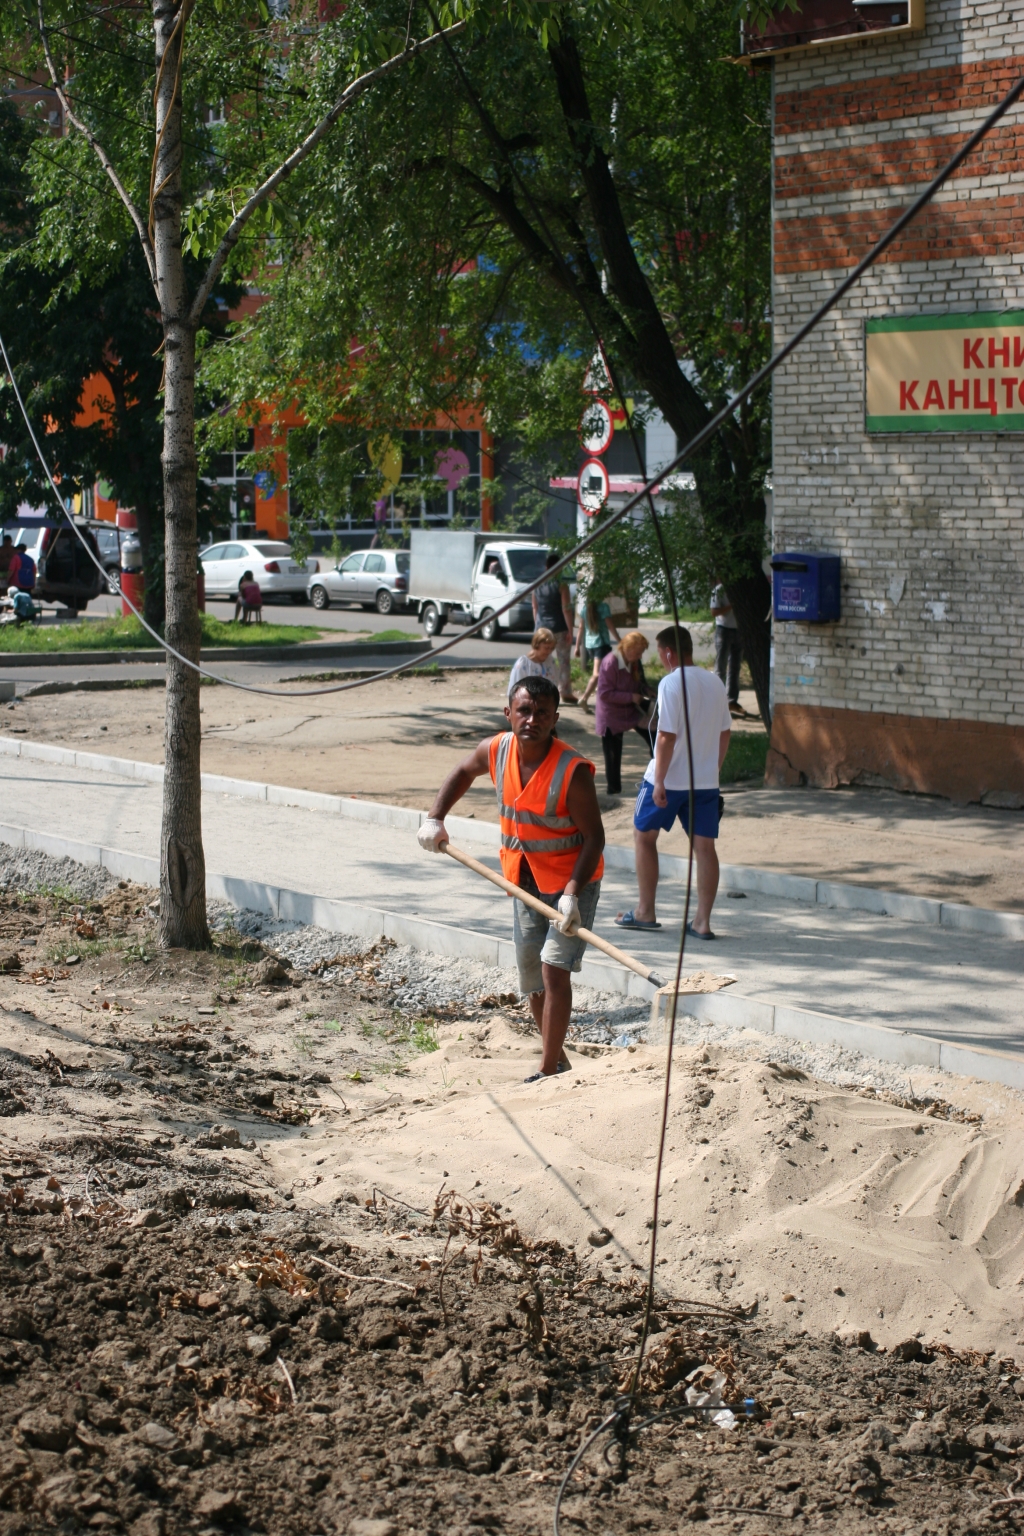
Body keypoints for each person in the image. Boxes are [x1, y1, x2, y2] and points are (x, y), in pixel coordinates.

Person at [418, 674, 605, 1082]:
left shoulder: (571, 771)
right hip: (523, 880)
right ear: (508, 713)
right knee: (532, 977)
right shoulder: (496, 749)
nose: (531, 719)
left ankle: (546, 1068)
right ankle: (556, 1058)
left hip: (572, 884)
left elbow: (595, 839)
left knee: (554, 970)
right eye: (524, 710)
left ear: (555, 717)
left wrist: (572, 893)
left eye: (542, 713)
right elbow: (463, 771)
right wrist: (435, 818)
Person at [615, 625, 730, 937]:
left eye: (661, 654)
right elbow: (724, 733)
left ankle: (645, 911)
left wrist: (661, 780)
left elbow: (666, 735)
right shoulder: (715, 682)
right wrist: (712, 771)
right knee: (705, 848)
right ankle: (703, 922)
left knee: (644, 837)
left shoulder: (670, 683)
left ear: (668, 653)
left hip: (668, 779)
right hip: (705, 782)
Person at [594, 631, 655, 798]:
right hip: (611, 714)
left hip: (631, 710)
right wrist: (631, 697)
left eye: (642, 651)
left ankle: (660, 775)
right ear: (627, 648)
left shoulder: (634, 661)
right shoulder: (610, 662)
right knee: (613, 755)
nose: (640, 655)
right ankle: (613, 792)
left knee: (655, 735)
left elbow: (638, 683)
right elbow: (604, 693)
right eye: (638, 651)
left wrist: (646, 690)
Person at [531, 553, 577, 704]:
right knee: (563, 661)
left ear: (546, 566)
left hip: (541, 629)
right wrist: (570, 630)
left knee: (542, 659)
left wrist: (537, 628)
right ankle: (565, 691)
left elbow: (534, 608)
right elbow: (566, 609)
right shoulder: (561, 585)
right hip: (559, 628)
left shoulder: (536, 583)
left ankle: (540, 690)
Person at [576, 596, 620, 709]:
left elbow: (581, 628)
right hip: (601, 644)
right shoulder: (603, 607)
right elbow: (610, 625)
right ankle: (584, 698)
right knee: (597, 673)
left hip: (590, 645)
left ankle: (600, 696)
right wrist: (620, 640)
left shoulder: (585, 609)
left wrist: (577, 646)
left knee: (602, 672)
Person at [710, 580, 743, 716]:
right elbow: (714, 612)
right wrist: (731, 606)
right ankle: (716, 702)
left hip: (739, 630)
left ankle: (731, 701)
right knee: (721, 667)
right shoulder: (718, 590)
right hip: (723, 630)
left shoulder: (740, 588)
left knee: (735, 668)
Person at [508, 627, 559, 694]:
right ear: (537, 644)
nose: (549, 651)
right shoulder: (523, 664)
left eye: (552, 648)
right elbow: (515, 691)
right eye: (546, 648)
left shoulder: (550, 661)